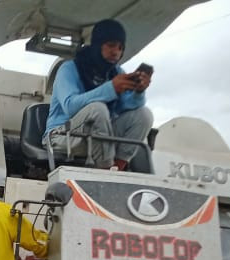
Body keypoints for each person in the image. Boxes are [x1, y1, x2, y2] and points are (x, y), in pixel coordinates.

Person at [43, 18, 153, 171]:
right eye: (111, 45)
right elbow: (70, 106)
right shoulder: (69, 69)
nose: (116, 52)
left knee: (144, 114)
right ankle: (106, 171)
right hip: (62, 135)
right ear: (97, 44)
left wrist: (138, 92)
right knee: (98, 109)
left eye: (120, 48)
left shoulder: (116, 72)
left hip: (100, 136)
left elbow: (126, 107)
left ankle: (118, 168)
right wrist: (111, 89)